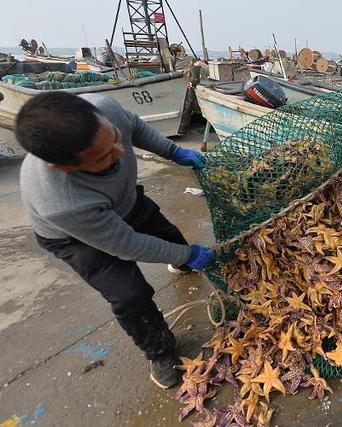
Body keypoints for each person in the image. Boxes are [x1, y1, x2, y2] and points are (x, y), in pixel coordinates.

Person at [15, 92, 216, 389]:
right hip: (75, 237)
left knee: (168, 235)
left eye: (116, 139)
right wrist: (187, 253)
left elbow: (135, 126)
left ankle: (181, 262)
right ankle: (160, 352)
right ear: (65, 167)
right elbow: (127, 244)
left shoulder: (103, 108)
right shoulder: (62, 201)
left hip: (123, 199)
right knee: (129, 294)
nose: (120, 152)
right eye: (104, 156)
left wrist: (172, 151)